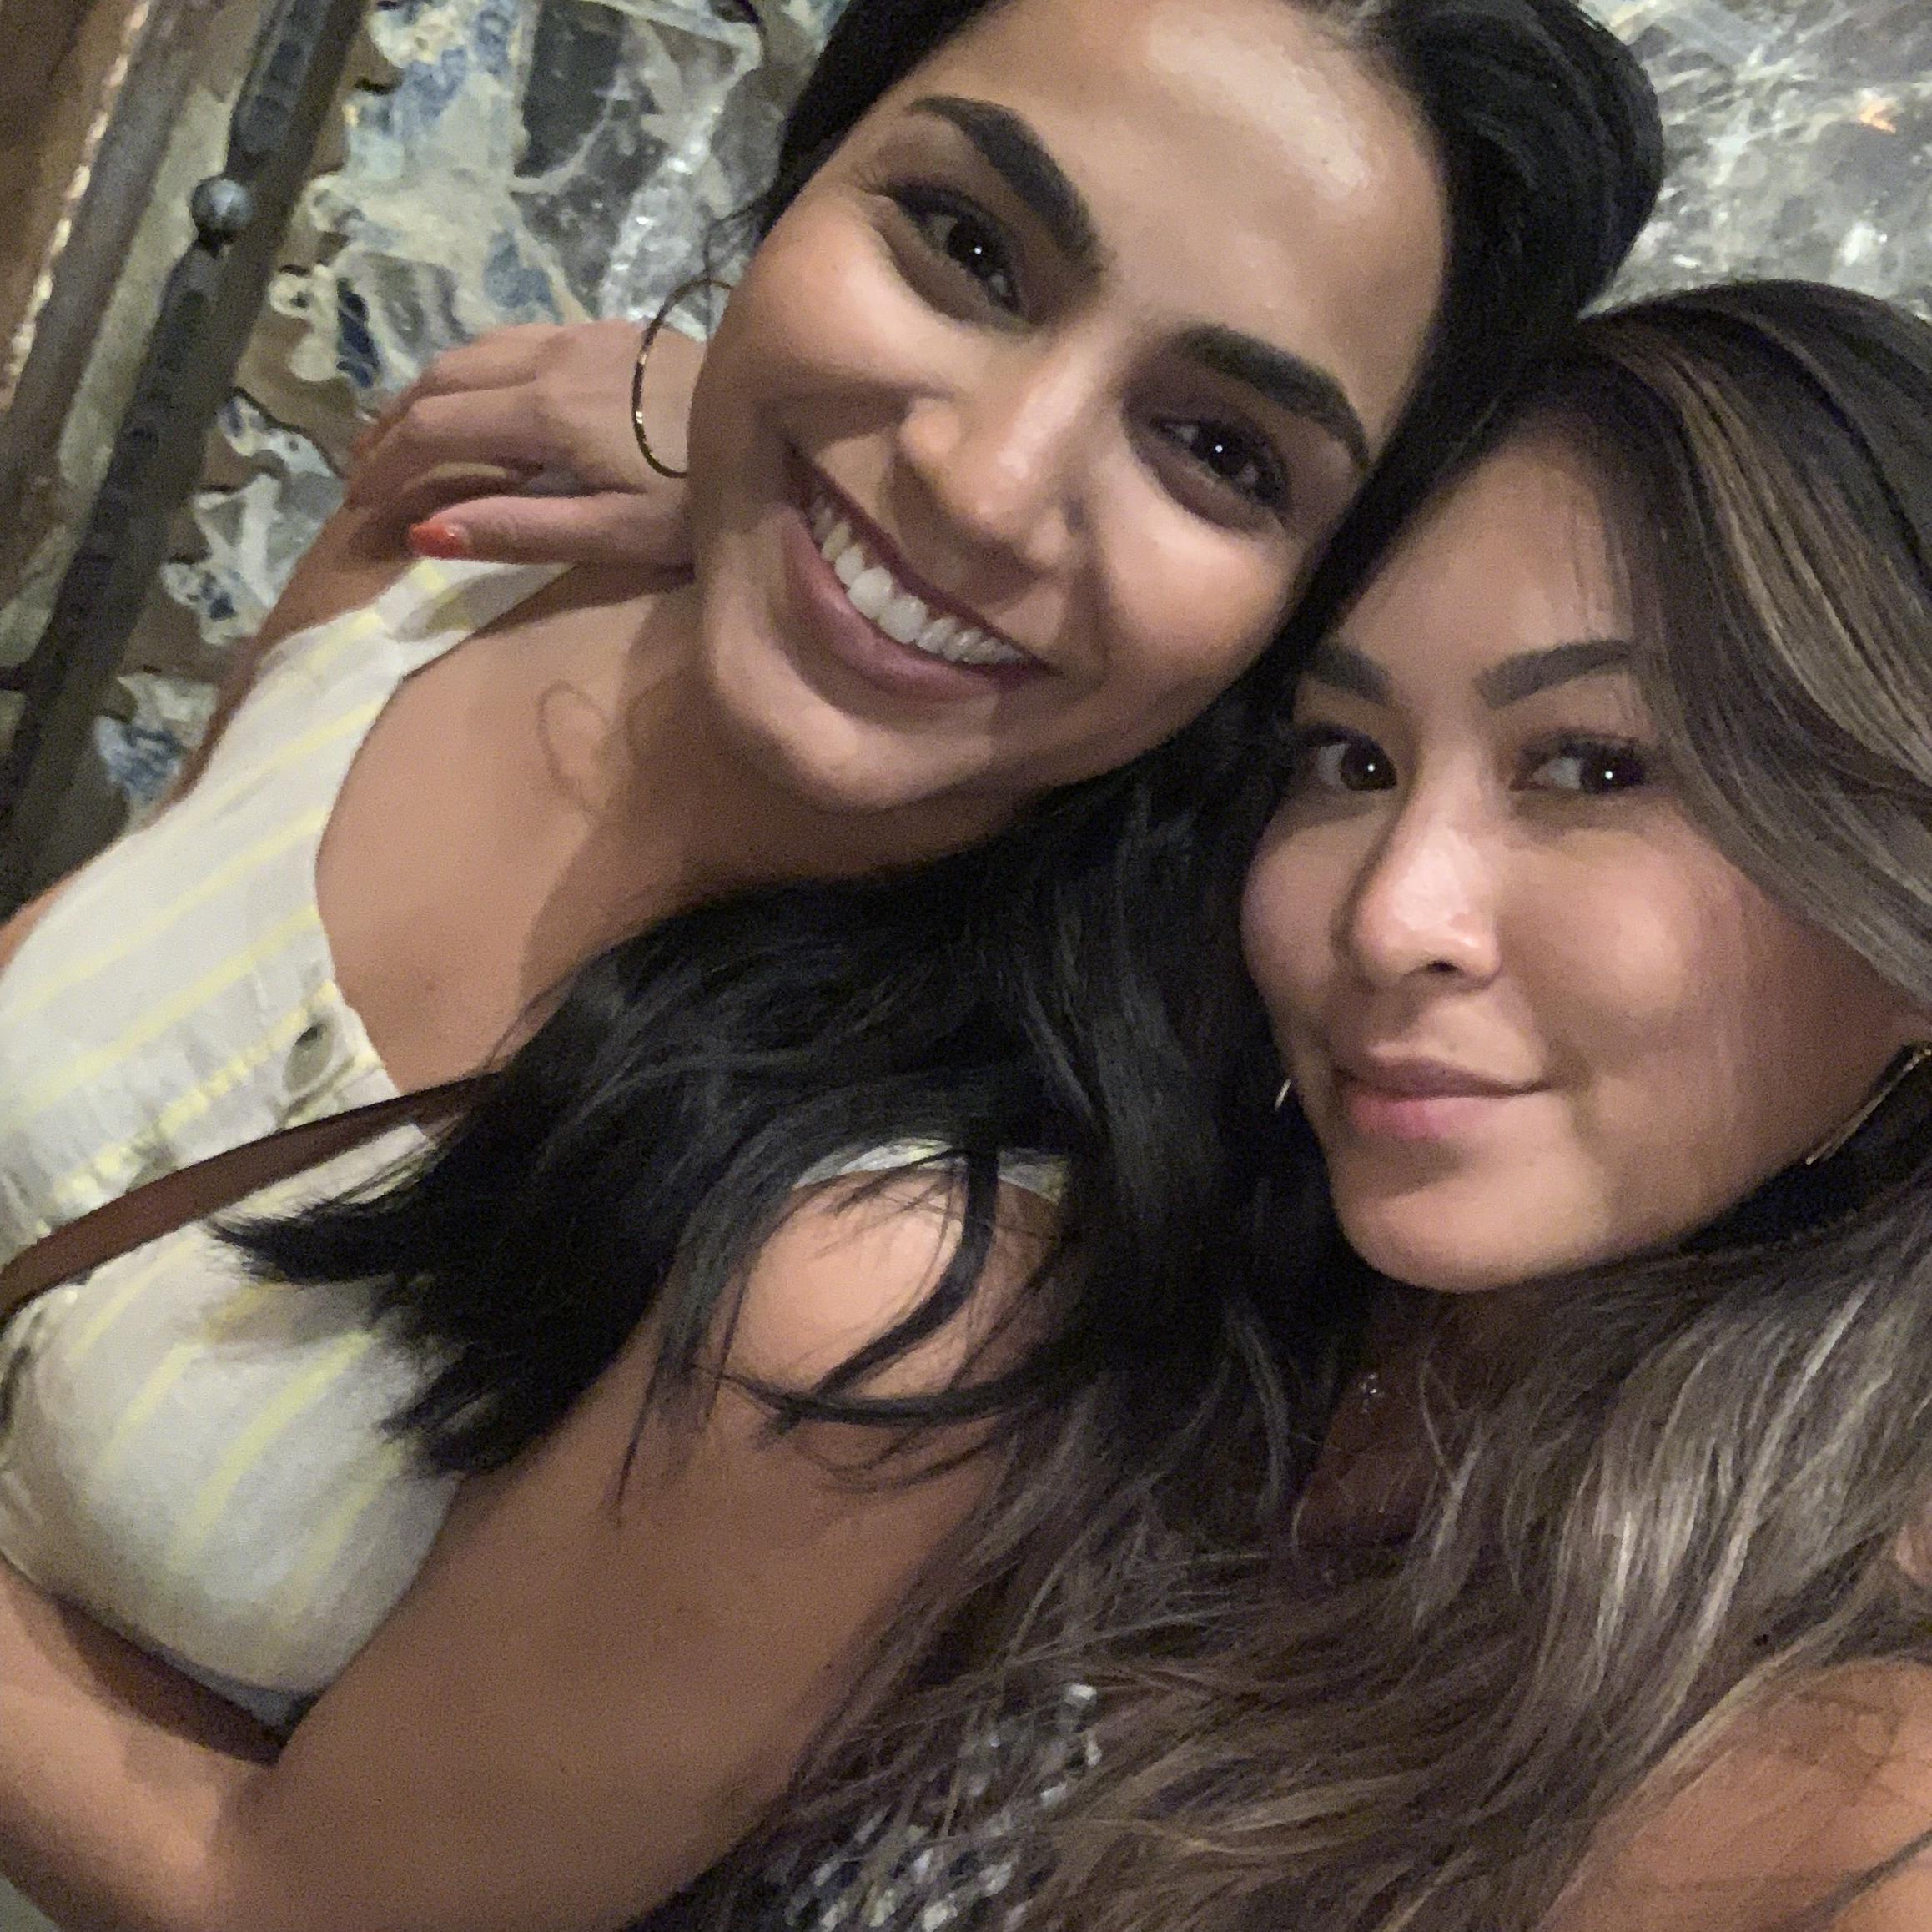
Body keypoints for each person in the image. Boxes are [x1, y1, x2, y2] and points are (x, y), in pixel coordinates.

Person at [0, 0, 1658, 1928]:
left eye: (1218, 449)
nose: (986, 480)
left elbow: (302, 1907)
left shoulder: (908, 1275)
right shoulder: (480, 543)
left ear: (1306, 612)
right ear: (806, 175)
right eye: (964, 247)